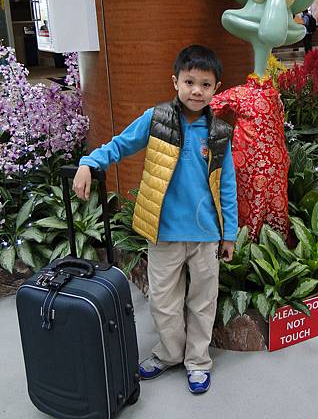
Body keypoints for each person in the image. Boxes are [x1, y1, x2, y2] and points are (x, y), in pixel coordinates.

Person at [73, 44, 238, 395]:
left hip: (206, 234)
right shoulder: (156, 119)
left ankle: (198, 361)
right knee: (163, 301)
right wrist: (89, 163)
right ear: (175, 81)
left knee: (203, 301)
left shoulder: (220, 133)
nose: (196, 90)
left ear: (216, 88)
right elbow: (119, 145)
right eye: (189, 82)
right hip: (163, 231)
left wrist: (230, 234)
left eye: (205, 84)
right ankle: (169, 353)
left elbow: (227, 187)